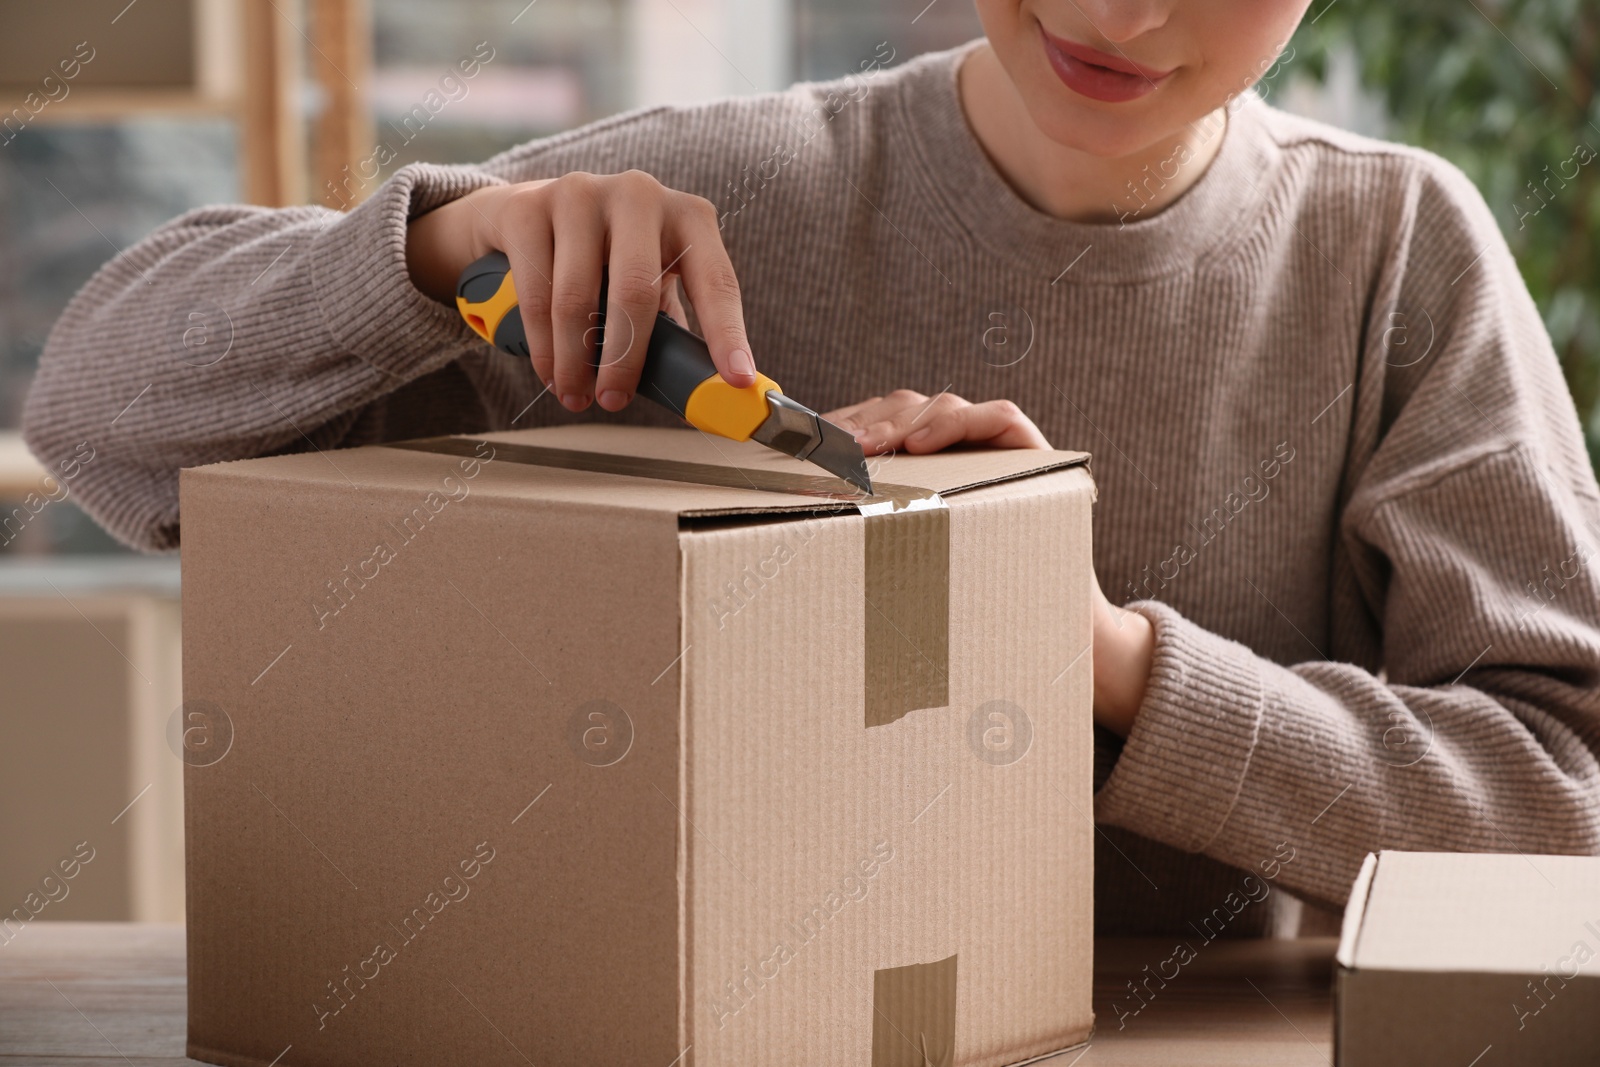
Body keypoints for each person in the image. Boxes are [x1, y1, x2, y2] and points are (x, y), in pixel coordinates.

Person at [22, 1, 1600, 939]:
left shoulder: (1392, 253)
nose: (1118, 8)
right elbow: (96, 417)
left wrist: (1108, 663)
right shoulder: (714, 198)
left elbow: (1567, 808)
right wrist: (429, 249)